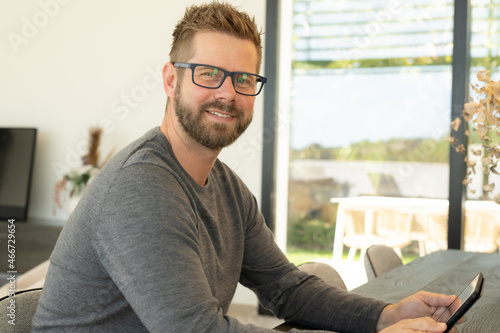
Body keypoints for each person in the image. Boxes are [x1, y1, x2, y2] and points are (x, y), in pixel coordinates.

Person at [32, 2, 459, 332]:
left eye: (242, 79)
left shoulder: (227, 189)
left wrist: (385, 315)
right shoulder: (140, 188)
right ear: (170, 79)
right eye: (207, 74)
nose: (227, 93)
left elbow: (286, 288)